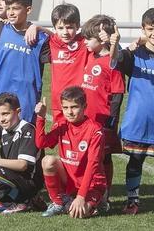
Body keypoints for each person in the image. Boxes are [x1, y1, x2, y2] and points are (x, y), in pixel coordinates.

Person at [111, 8, 154, 215]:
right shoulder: (134, 54)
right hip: (138, 120)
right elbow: (115, 59)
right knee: (135, 161)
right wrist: (115, 43)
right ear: (143, 29)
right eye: (150, 29)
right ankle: (132, 200)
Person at [36, 87, 108, 218]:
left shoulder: (95, 130)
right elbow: (41, 144)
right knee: (47, 161)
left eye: (74, 107)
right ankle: (58, 202)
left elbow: (93, 164)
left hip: (93, 183)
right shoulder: (61, 125)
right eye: (65, 108)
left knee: (77, 214)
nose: (69, 112)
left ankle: (98, 201)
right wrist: (41, 117)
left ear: (84, 106)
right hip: (70, 180)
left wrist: (81, 197)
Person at [0, 0, 49, 124]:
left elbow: (62, 42)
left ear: (28, 10)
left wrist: (39, 28)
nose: (11, 13)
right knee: (2, 141)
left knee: (25, 141)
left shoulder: (40, 38)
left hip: (26, 100)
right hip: (0, 97)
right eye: (8, 9)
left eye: (16, 8)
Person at [80, 15, 125, 201]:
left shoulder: (112, 63)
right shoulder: (91, 55)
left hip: (103, 120)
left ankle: (105, 195)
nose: (84, 42)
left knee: (104, 157)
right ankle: (89, 189)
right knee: (89, 157)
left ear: (102, 39)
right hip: (87, 118)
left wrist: (111, 119)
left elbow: (117, 93)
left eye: (88, 39)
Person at [0, 93, 42, 213]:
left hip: (27, 183)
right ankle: (19, 203)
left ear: (18, 111)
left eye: (5, 114)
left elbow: (23, 165)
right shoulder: (5, 130)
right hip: (9, 181)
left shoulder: (27, 129)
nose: (1, 119)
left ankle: (29, 199)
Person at [47, 4, 89, 124]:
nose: (65, 32)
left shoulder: (83, 42)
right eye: (60, 28)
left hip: (78, 101)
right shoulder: (52, 42)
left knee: (80, 136)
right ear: (54, 28)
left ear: (78, 26)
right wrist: (35, 28)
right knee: (61, 137)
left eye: (69, 27)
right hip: (58, 100)